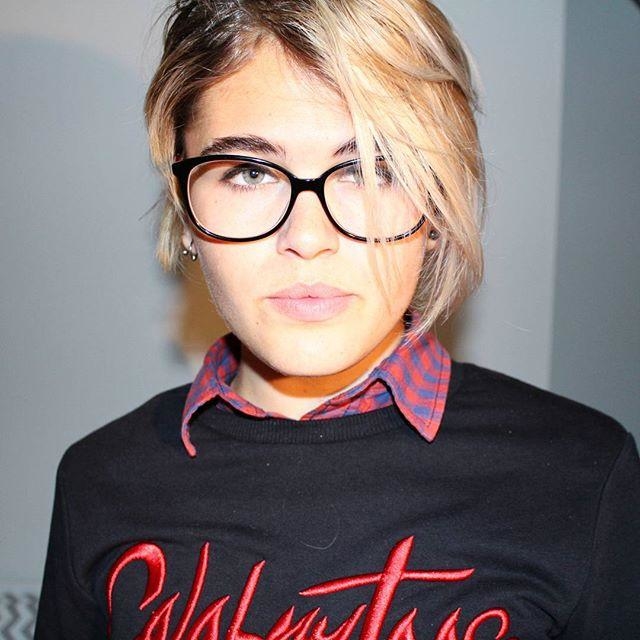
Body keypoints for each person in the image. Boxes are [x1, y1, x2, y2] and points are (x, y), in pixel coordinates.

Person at [35, 1, 640, 638]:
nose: (307, 237)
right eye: (249, 172)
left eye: (372, 168)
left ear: (438, 207)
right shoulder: (100, 479)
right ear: (185, 213)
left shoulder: (583, 475)